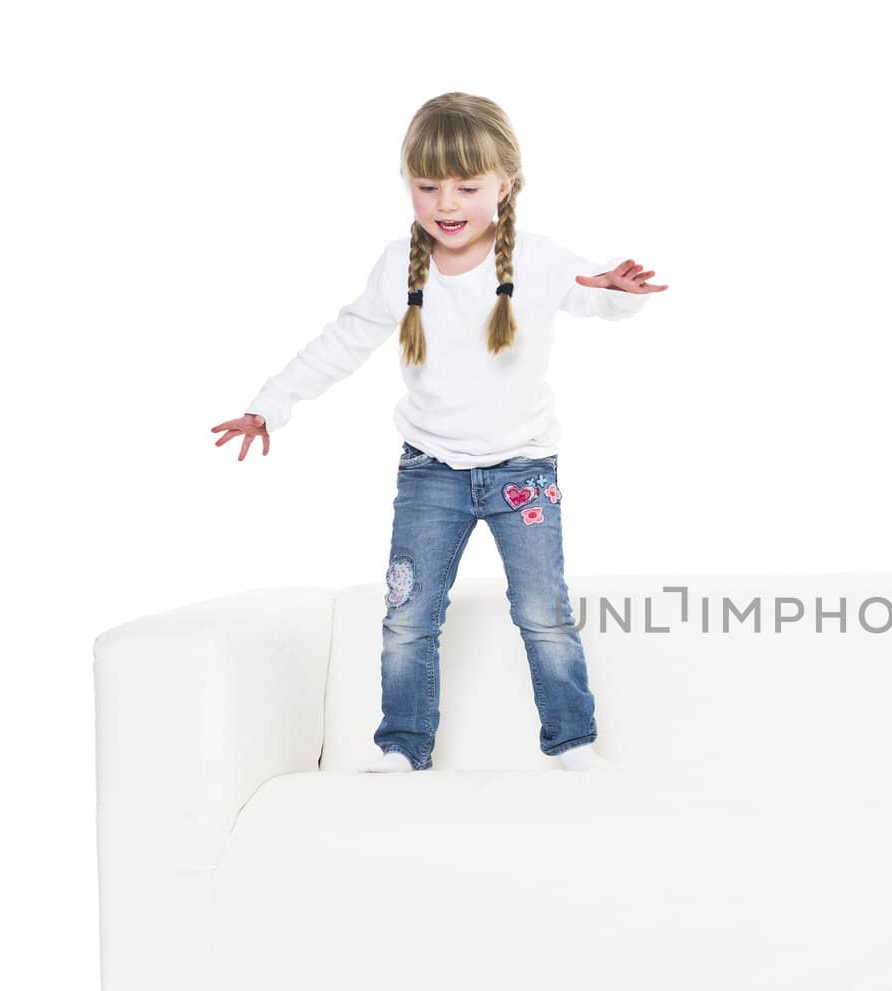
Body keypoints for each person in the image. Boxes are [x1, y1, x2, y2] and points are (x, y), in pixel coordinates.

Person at [209, 92, 666, 773]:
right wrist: (270, 405)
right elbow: (344, 340)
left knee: (543, 611)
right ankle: (403, 745)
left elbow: (593, 296)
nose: (447, 203)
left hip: (523, 474)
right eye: (428, 186)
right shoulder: (399, 266)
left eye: (467, 186)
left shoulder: (536, 259)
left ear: (504, 185)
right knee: (408, 617)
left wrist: (620, 296)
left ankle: (573, 741)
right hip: (430, 471)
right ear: (408, 185)